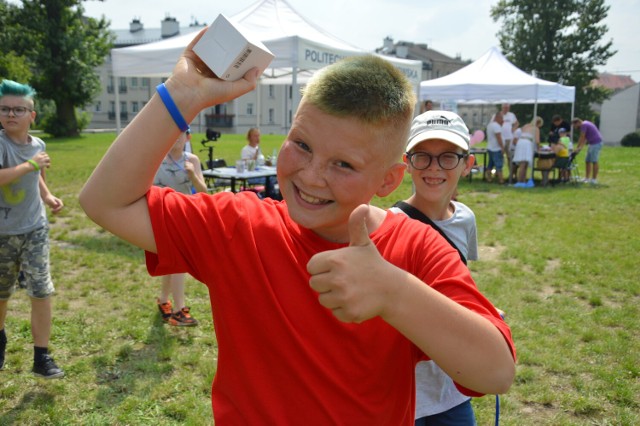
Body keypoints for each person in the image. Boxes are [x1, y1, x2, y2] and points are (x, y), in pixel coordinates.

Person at [79, 32, 515, 424]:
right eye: (301, 145)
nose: (310, 175)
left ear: (389, 180)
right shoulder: (240, 226)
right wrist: (183, 94)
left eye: (343, 164)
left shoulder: (414, 247)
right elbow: (104, 201)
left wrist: (393, 293)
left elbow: (496, 371)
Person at [390, 110, 479, 425]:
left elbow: (462, 282)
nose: (434, 168)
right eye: (423, 157)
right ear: (407, 161)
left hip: (451, 387)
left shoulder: (465, 218)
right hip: (402, 389)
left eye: (448, 158)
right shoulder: (388, 225)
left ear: (467, 164)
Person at [0, 79, 64, 378]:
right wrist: (30, 165)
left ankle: (42, 356)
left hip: (35, 228)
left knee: (41, 291)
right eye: (4, 109)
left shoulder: (37, 145)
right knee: (1, 294)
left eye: (18, 109)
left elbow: (36, 173)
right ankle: (0, 339)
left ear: (32, 115)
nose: (10, 114)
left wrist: (47, 195)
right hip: (3, 232)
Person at [153, 130, 207, 326]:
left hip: (186, 216)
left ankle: (164, 300)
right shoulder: (159, 160)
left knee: (173, 261)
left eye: (181, 134)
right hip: (164, 216)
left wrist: (192, 175)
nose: (176, 137)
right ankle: (178, 310)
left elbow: (204, 192)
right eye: (173, 133)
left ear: (188, 137)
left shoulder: (192, 160)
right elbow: (151, 190)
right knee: (178, 262)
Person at [513, 116, 543, 188]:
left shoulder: (526, 126)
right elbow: (537, 141)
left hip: (520, 142)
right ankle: (520, 181)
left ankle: (523, 180)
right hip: (527, 144)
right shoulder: (536, 129)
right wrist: (539, 148)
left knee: (523, 164)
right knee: (523, 164)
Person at [572, 117, 603, 184]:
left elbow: (582, 137)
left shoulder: (584, 125)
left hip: (596, 143)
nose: (575, 127)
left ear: (578, 122)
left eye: (575, 126)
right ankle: (587, 178)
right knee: (587, 161)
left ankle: (594, 179)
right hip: (591, 144)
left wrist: (577, 148)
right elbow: (585, 138)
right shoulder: (586, 123)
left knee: (594, 161)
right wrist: (580, 148)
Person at [485, 111, 505, 183]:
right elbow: (498, 137)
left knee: (490, 164)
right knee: (499, 165)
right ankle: (501, 180)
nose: (502, 119)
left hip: (490, 147)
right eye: (501, 118)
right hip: (496, 148)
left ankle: (489, 178)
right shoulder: (496, 126)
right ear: (497, 117)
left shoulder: (490, 125)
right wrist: (502, 147)